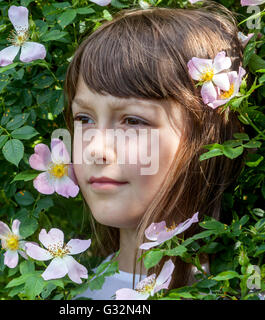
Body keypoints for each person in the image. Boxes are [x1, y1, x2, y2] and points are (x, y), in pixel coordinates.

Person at [62, 2, 247, 300]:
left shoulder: (242, 293)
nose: (95, 149)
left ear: (210, 135)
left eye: (133, 121)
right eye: (84, 119)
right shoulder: (77, 295)